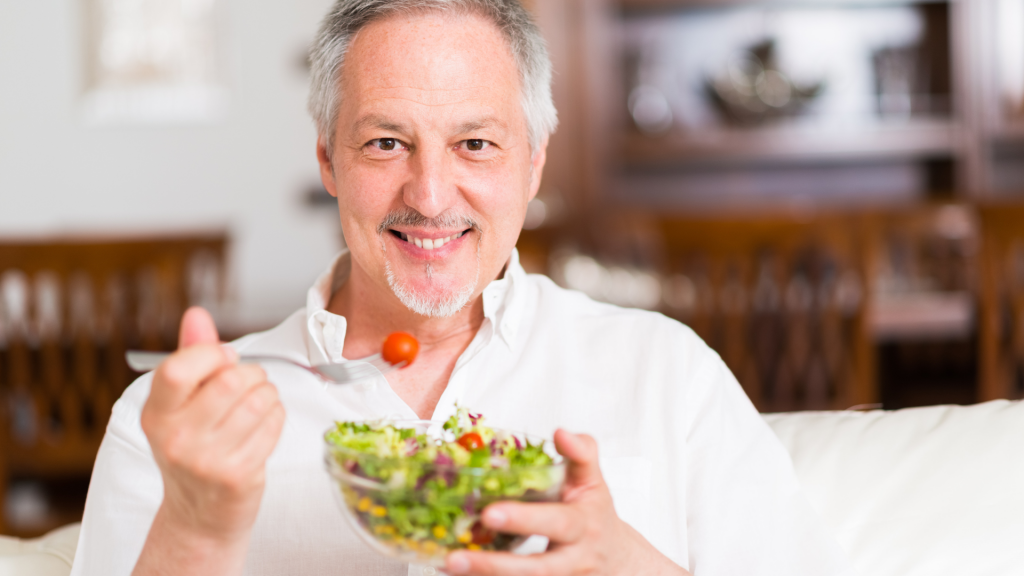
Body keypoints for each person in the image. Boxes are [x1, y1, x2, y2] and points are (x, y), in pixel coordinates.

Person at [70, 1, 852, 575]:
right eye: (386, 143)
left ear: (534, 161)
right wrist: (200, 531)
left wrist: (627, 564)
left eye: (475, 144)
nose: (433, 194)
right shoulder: (174, 426)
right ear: (328, 161)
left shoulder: (665, 373)